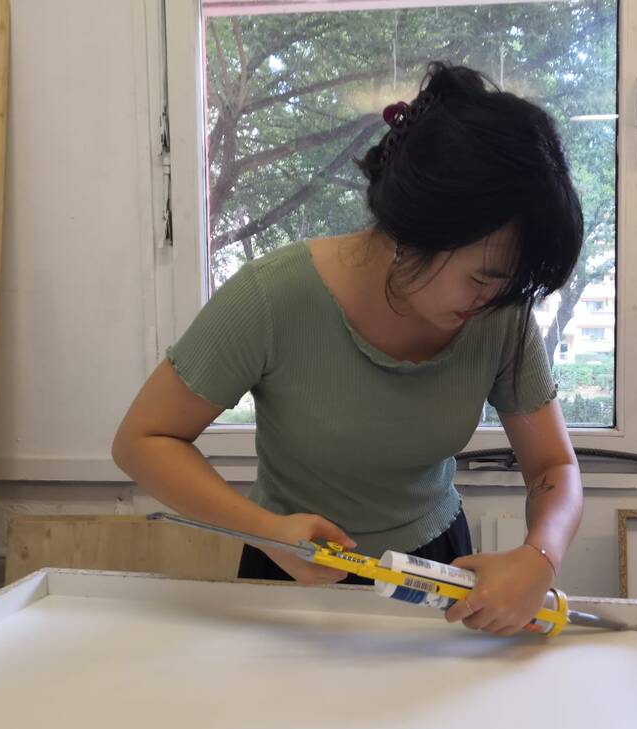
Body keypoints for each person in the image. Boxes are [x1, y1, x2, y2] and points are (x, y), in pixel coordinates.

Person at [112, 61, 584, 637]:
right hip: (293, 568)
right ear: (420, 227)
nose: (495, 302)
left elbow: (553, 466)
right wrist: (262, 527)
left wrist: (540, 559)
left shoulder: (501, 316)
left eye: (510, 285)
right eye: (483, 279)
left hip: (435, 567)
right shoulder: (274, 296)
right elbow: (143, 440)